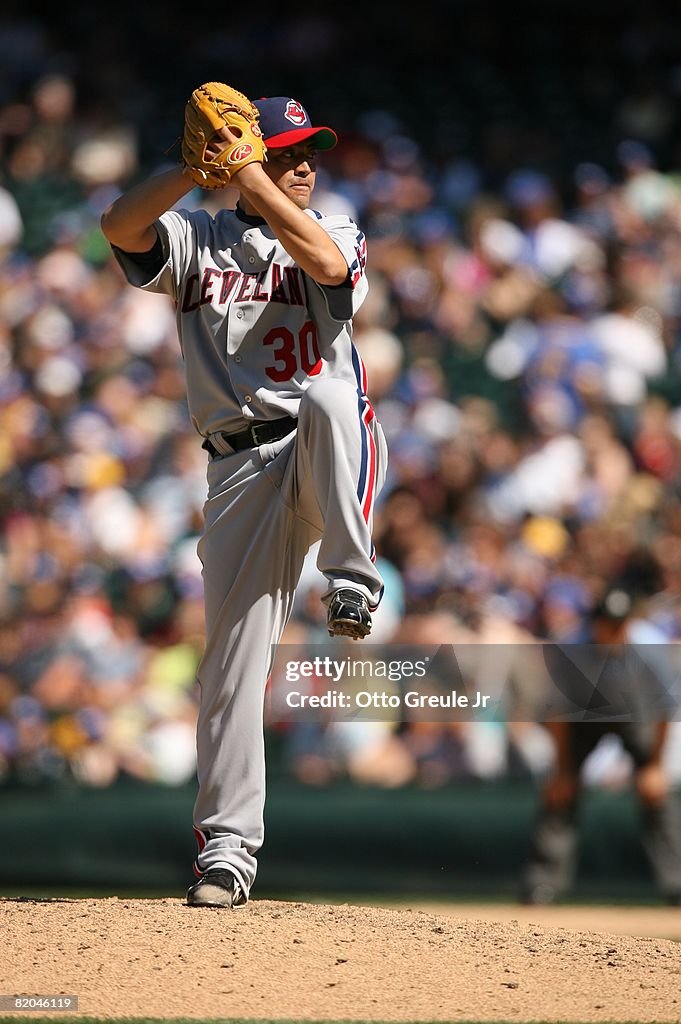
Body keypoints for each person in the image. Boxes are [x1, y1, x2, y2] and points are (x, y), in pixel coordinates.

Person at [101, 91, 387, 908]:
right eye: (287, 149)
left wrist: (250, 173)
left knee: (331, 394)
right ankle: (227, 852)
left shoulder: (334, 226)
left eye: (308, 152)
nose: (303, 164)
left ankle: (351, 580)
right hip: (235, 469)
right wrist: (188, 171)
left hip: (323, 452)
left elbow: (328, 272)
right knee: (229, 668)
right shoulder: (198, 233)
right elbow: (122, 229)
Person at [521, 572, 681, 906]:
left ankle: (678, 884)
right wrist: (563, 768)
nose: (612, 631)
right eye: (607, 623)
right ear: (593, 622)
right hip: (583, 716)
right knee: (559, 791)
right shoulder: (572, 645)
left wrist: (654, 765)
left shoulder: (648, 644)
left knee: (656, 793)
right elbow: (557, 713)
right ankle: (542, 885)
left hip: (635, 715)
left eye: (619, 624)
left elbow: (665, 708)